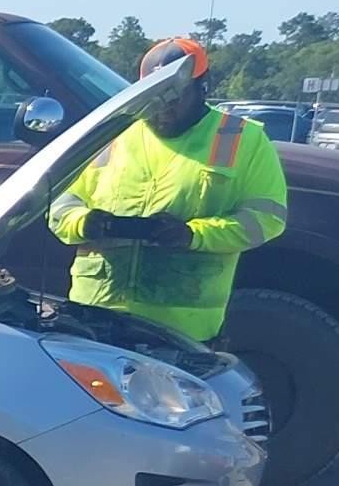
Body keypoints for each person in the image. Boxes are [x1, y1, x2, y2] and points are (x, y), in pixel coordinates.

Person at [47, 36, 289, 345]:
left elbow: (266, 220)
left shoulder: (242, 140)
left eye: (174, 96)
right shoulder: (114, 133)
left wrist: (192, 235)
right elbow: (62, 205)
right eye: (155, 96)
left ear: (204, 87)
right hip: (96, 316)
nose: (163, 108)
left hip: (183, 329)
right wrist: (87, 223)